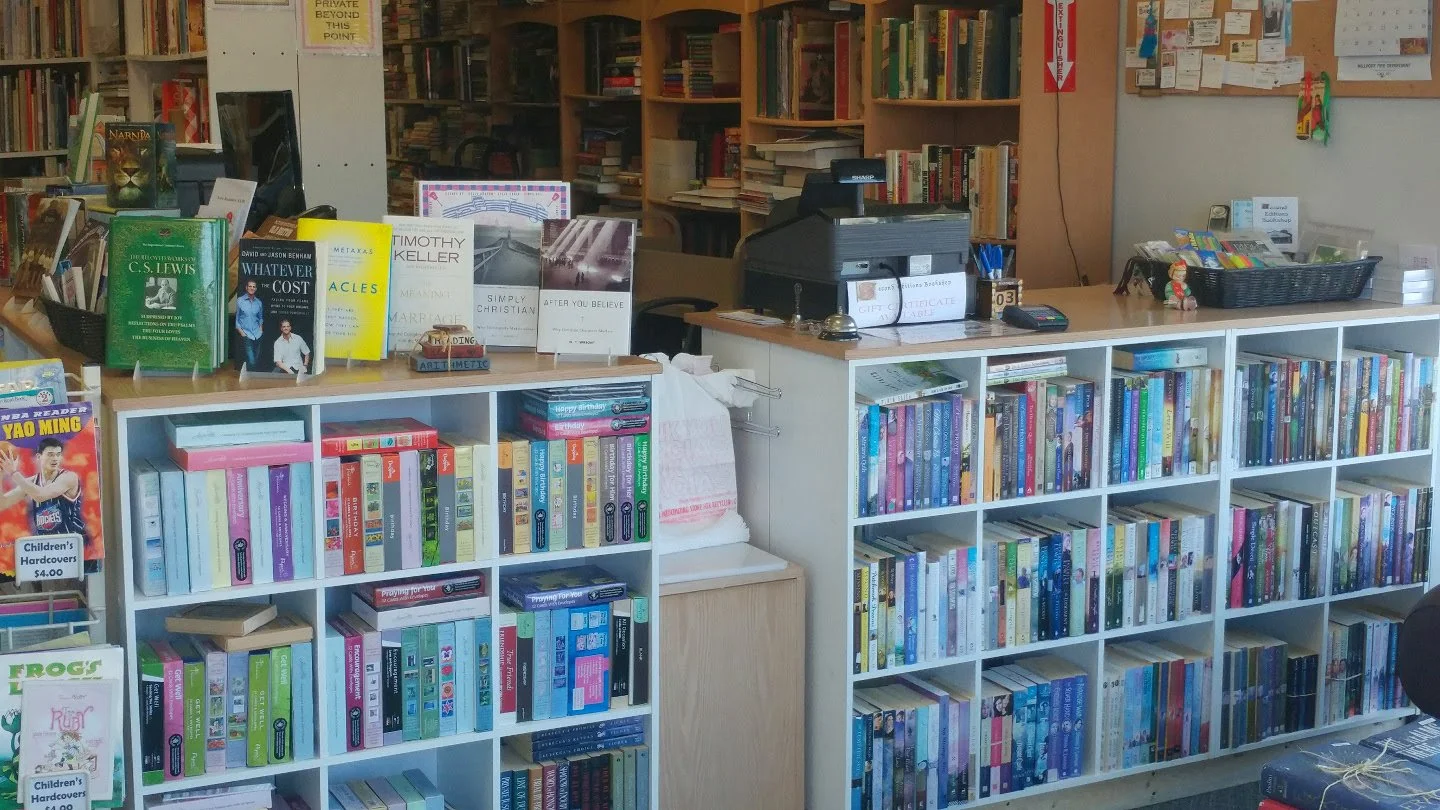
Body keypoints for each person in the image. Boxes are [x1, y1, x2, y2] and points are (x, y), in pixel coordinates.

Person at [0, 438, 87, 539]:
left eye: (58, 454)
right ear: (39, 457)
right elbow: (3, 504)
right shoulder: (31, 483)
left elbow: (41, 495)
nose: (55, 459)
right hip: (44, 546)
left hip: (71, 544)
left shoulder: (69, 477)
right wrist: (1, 473)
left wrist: (13, 473)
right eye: (50, 455)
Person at [235, 278, 264, 369]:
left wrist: (261, 329)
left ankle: (252, 377)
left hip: (257, 334)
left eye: (254, 287)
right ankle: (250, 378)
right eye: (250, 286)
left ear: (255, 289)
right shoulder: (240, 300)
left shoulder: (259, 303)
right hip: (246, 333)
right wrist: (241, 332)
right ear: (246, 288)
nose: (252, 288)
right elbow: (237, 318)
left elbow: (260, 318)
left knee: (257, 359)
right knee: (251, 360)